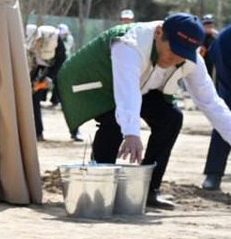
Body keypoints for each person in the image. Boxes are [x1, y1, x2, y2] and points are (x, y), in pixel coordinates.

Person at [57, 13, 231, 210]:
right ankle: (100, 191)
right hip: (98, 81)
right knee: (114, 122)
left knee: (171, 118)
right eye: (172, 51)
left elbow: (211, 103)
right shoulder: (130, 44)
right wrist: (131, 133)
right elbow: (127, 92)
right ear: (159, 33)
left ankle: (148, 190)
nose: (174, 59)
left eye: (182, 55)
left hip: (143, 86)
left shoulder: (191, 60)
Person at [202, 23, 231, 191]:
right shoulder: (226, 37)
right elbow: (216, 53)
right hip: (229, 80)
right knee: (225, 121)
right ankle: (214, 173)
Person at [27, 24, 58, 142]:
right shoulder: (31, 41)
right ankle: (37, 132)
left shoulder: (55, 43)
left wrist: (49, 77)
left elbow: (60, 60)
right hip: (35, 70)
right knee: (33, 100)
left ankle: (75, 132)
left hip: (49, 69)